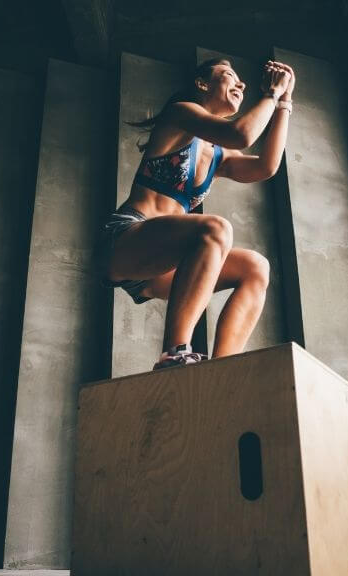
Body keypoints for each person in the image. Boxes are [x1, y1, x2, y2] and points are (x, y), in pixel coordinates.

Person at [95, 57, 295, 370]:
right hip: (127, 241)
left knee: (256, 267)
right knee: (216, 229)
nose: (240, 84)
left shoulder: (219, 154)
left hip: (166, 267)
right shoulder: (180, 114)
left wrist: (284, 102)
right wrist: (269, 96)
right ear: (202, 83)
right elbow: (241, 135)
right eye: (228, 75)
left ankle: (221, 370)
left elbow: (265, 166)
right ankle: (174, 353)